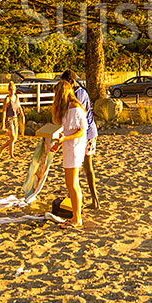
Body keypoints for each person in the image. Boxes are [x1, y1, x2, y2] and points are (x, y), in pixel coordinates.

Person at [60, 70, 100, 209]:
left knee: (87, 167)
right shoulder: (74, 93)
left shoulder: (80, 94)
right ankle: (76, 201)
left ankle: (94, 200)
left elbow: (78, 116)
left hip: (88, 134)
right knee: (77, 167)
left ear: (71, 82)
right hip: (83, 134)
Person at [50, 81, 88, 228]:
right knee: (71, 184)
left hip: (75, 148)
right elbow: (66, 131)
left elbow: (80, 131)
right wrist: (58, 144)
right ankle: (75, 215)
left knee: (72, 184)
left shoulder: (76, 108)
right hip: (69, 147)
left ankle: (77, 218)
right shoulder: (68, 108)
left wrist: (64, 139)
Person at [0, 82, 25, 158]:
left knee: (14, 138)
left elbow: (19, 107)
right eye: (10, 89)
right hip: (9, 118)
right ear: (9, 90)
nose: (12, 90)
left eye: (13, 89)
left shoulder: (17, 97)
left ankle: (2, 148)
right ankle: (11, 154)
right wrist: (3, 122)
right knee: (12, 137)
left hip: (15, 118)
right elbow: (4, 111)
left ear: (15, 90)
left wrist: (22, 116)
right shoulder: (7, 99)